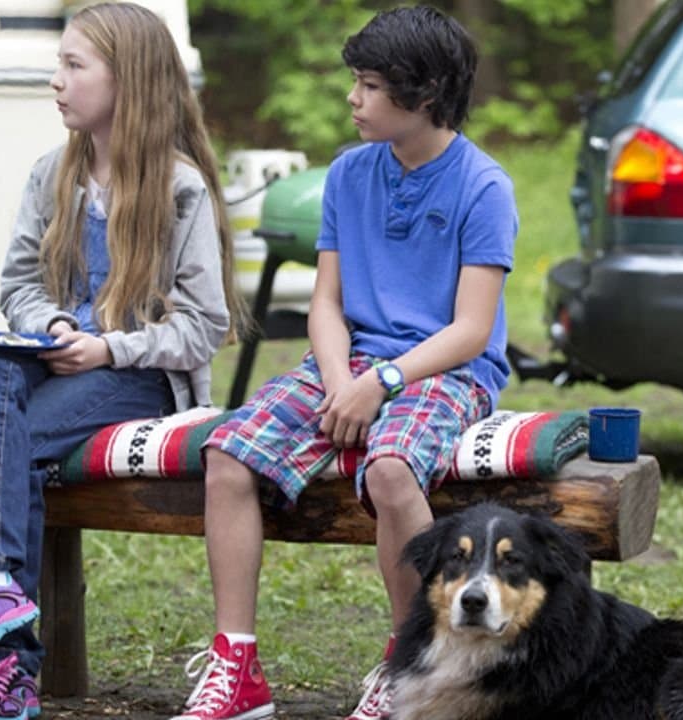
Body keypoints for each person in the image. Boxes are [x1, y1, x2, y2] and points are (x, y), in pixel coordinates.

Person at [172, 6, 517, 720]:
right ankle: (237, 668)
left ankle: (410, 665)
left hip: (446, 370)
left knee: (390, 467)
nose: (352, 99)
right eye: (354, 82)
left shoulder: (484, 187)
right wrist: (341, 383)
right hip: (350, 361)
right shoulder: (349, 175)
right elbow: (326, 304)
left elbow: (472, 330)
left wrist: (381, 382)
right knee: (229, 454)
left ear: (422, 96)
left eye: (368, 85)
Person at [0, 4, 246, 719]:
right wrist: (54, 326)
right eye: (59, 64)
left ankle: (2, 651)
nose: (56, 81)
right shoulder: (54, 174)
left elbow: (202, 327)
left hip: (139, 381)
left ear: (126, 81)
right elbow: (20, 284)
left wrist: (111, 347)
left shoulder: (179, 186)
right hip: (60, 363)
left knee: (3, 449)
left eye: (75, 66)